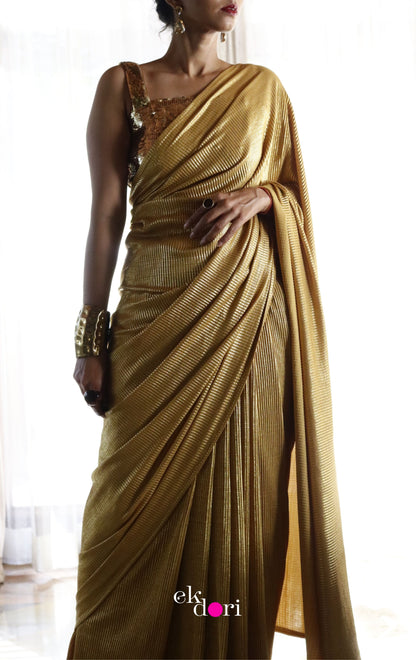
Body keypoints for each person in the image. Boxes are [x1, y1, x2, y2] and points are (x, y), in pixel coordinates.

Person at [68, 1, 361, 658]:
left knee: (240, 523)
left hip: (249, 326)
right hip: (150, 325)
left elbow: (291, 193)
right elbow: (106, 215)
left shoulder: (262, 91)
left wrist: (264, 197)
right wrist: (91, 338)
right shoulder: (124, 86)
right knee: (122, 521)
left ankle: (225, 633)